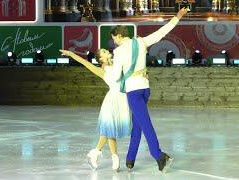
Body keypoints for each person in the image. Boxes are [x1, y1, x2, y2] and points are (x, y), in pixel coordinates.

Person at [109, 7, 188, 173]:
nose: (114, 41)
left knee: (145, 124)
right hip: (145, 88)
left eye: (114, 38)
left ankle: (159, 156)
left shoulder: (118, 51)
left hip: (133, 91)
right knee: (137, 124)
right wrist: (178, 16)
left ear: (119, 36)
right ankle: (130, 159)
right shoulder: (141, 41)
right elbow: (162, 32)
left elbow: (116, 76)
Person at [59, 49, 146, 171]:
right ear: (101, 59)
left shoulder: (118, 65)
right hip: (111, 101)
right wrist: (71, 54)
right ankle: (109, 156)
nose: (107, 51)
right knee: (110, 128)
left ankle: (101, 154)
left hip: (123, 101)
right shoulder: (102, 70)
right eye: (104, 52)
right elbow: (85, 63)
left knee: (111, 130)